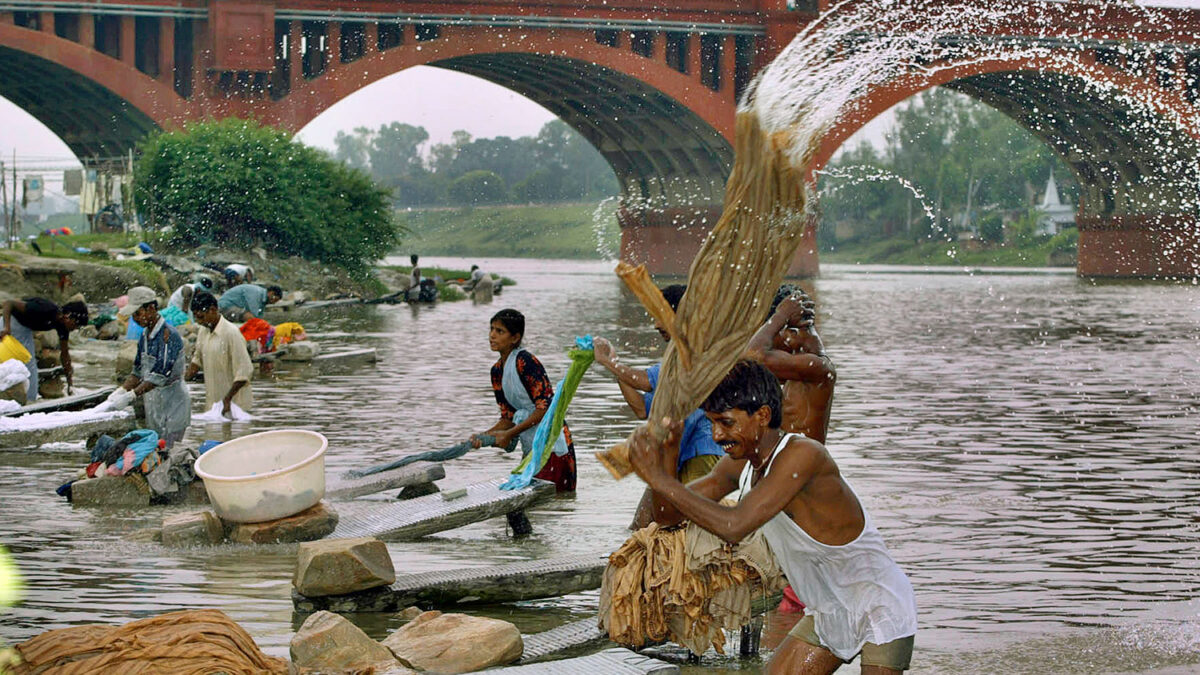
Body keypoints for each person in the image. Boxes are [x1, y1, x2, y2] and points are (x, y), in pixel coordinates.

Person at [628, 360, 916, 673]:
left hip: (878, 602)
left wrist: (660, 479)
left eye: (726, 422)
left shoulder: (803, 456)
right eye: (711, 423)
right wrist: (668, 455)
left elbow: (734, 525)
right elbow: (667, 516)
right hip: (827, 609)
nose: (717, 434)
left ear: (763, 416)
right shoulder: (739, 464)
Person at [592, 284, 724, 527]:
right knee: (642, 524)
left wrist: (606, 362)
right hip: (674, 454)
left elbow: (644, 382)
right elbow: (641, 408)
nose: (655, 325)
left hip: (701, 451)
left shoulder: (694, 350)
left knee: (689, 524)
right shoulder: (674, 356)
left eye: (659, 317)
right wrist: (614, 363)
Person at [471, 308, 577, 493]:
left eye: (499, 331)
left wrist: (510, 434)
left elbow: (545, 409)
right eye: (491, 329)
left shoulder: (526, 362)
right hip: (531, 445)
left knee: (554, 501)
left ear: (515, 338)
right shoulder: (497, 371)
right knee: (534, 500)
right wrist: (484, 436)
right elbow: (507, 417)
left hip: (551, 441)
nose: (492, 336)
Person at [746, 287, 836, 444]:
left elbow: (752, 357)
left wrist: (781, 315)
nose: (769, 343)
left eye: (772, 333)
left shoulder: (816, 366)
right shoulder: (797, 367)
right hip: (787, 462)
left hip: (803, 466)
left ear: (790, 332)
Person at [116, 286, 190, 448]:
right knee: (154, 450)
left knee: (169, 450)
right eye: (133, 315)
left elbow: (160, 375)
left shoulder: (168, 335)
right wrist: (121, 391)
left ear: (151, 308)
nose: (135, 319)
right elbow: (137, 372)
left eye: (137, 314)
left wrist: (132, 395)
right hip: (154, 404)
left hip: (173, 404)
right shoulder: (145, 336)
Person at [0, 297, 88, 401]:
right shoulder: (45, 309)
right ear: (68, 316)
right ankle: (24, 401)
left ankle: (26, 400)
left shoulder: (63, 326)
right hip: (12, 322)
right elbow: (9, 303)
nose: (75, 329)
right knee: (24, 366)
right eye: (76, 325)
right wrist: (6, 328)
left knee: (28, 370)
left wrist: (70, 384)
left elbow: (65, 355)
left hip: (25, 330)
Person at [185, 291, 253, 417]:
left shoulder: (231, 333)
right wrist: (182, 382)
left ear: (213, 310)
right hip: (213, 407)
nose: (198, 322)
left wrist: (227, 400)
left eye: (201, 317)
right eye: (195, 317)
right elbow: (196, 360)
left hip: (235, 407)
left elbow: (244, 372)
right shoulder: (203, 331)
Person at [217, 284, 283, 323]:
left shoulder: (263, 299)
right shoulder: (256, 293)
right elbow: (254, 314)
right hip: (225, 307)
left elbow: (259, 317)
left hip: (235, 308)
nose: (273, 303)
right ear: (271, 293)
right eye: (275, 300)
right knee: (249, 317)